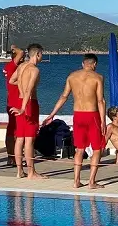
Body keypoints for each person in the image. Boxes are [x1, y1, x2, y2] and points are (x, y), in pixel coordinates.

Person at [43, 53, 106, 189]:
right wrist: (103, 122)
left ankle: (76, 181)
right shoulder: (98, 77)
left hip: (78, 115)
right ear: (94, 64)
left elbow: (64, 96)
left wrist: (52, 114)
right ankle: (91, 182)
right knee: (96, 149)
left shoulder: (72, 76)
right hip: (92, 115)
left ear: (83, 64)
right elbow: (101, 101)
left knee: (79, 149)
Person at [10, 43, 46, 180]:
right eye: (41, 54)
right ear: (37, 54)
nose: (42, 56)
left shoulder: (21, 66)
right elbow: (29, 90)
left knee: (20, 138)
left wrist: (21, 84)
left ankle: (19, 171)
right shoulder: (34, 70)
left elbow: (12, 80)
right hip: (28, 103)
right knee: (29, 139)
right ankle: (31, 172)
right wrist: (24, 108)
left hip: (19, 100)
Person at [3, 46, 26, 166]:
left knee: (14, 131)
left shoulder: (12, 68)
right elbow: (21, 52)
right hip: (15, 103)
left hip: (14, 102)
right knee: (15, 132)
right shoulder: (12, 67)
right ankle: (12, 157)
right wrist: (14, 47)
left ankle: (13, 157)